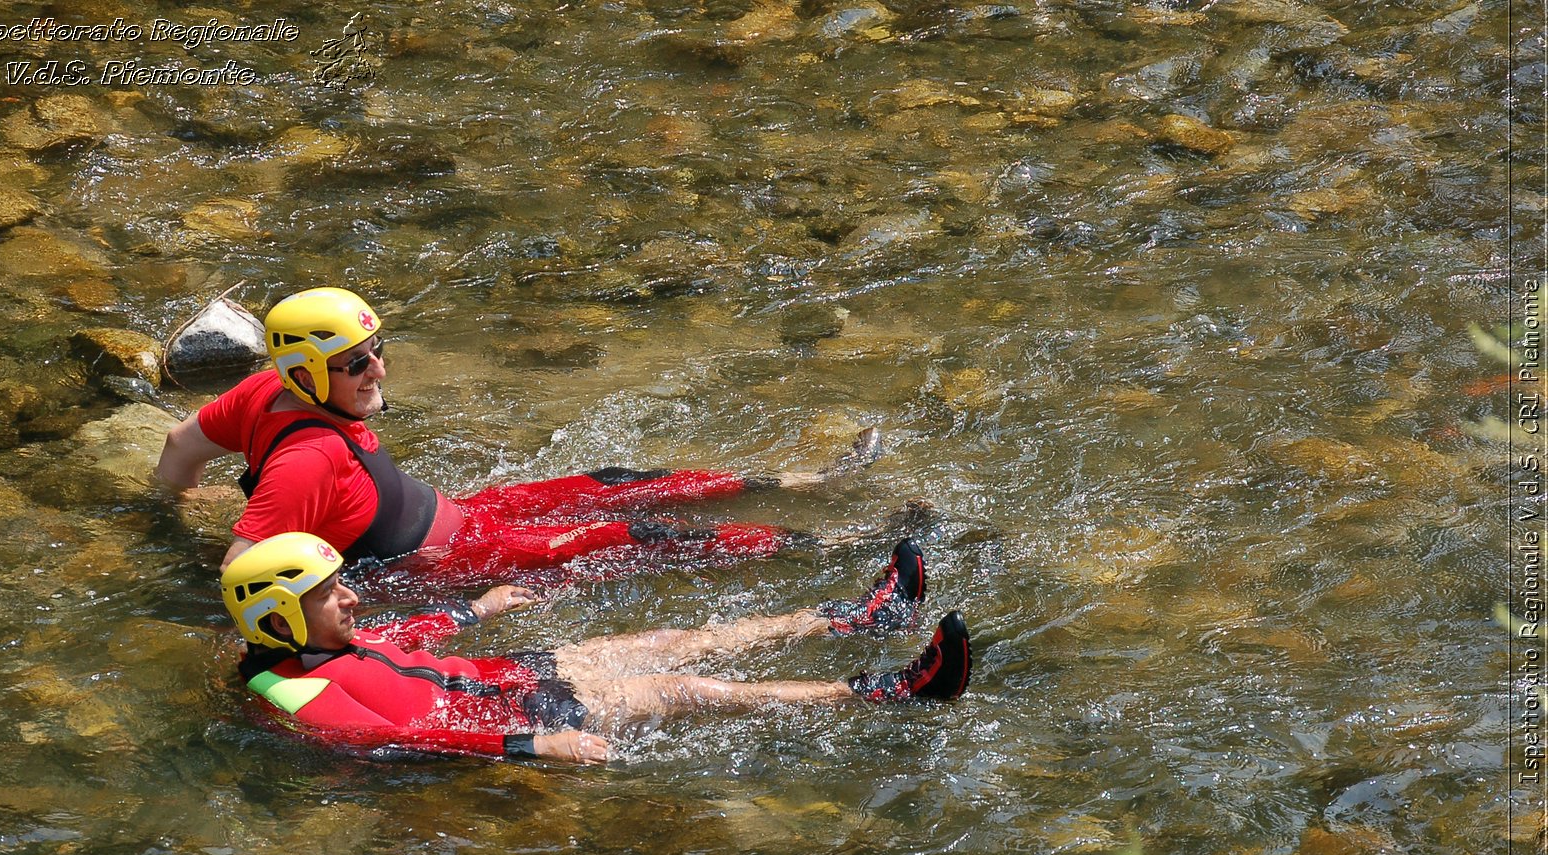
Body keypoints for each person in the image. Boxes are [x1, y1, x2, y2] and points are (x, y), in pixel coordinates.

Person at [158, 286, 882, 583]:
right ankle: (840, 545)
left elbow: (179, 448)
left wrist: (175, 508)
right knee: (648, 537)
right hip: (451, 561)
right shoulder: (306, 463)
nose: (378, 370)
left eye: (378, 350)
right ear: (307, 372)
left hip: (469, 509)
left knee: (616, 483)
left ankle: (808, 483)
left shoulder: (264, 387)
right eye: (355, 364)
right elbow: (242, 570)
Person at [221, 532, 971, 764]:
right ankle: (889, 691)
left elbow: (401, 637)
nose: (349, 596)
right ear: (281, 620)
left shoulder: (327, 639)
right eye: (327, 592)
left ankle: (854, 617)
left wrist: (473, 608)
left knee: (676, 639)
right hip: (536, 709)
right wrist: (534, 747)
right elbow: (412, 735)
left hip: (525, 672)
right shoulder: (295, 694)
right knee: (687, 688)